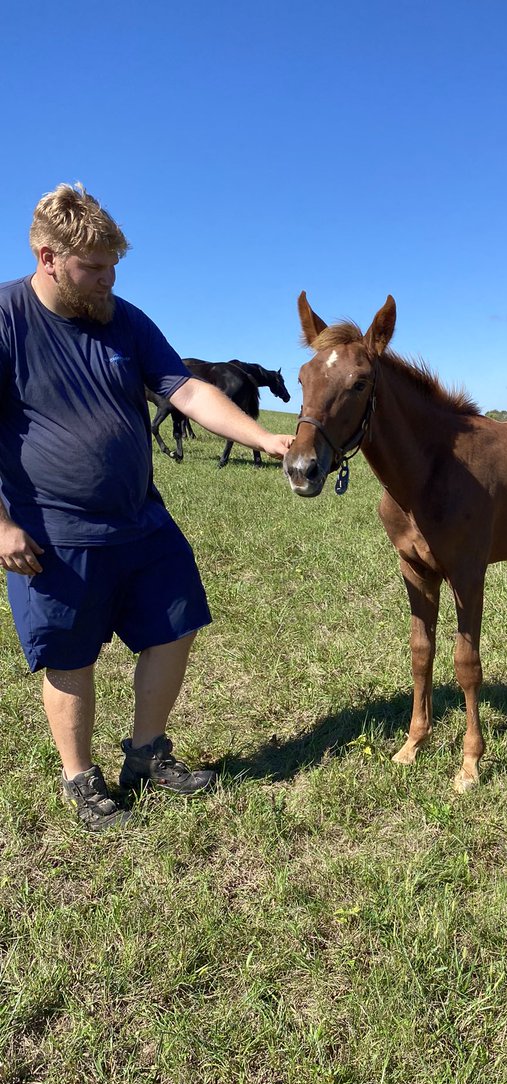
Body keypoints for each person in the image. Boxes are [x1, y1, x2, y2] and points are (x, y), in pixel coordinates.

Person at [0, 183, 294, 832]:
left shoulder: (124, 319)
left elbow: (185, 389)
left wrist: (265, 437)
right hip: (53, 532)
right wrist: (1, 525)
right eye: (92, 268)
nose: (107, 280)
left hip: (140, 519)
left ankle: (146, 753)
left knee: (175, 624)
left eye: (113, 267)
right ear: (48, 258)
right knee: (70, 658)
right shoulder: (7, 319)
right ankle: (81, 779)